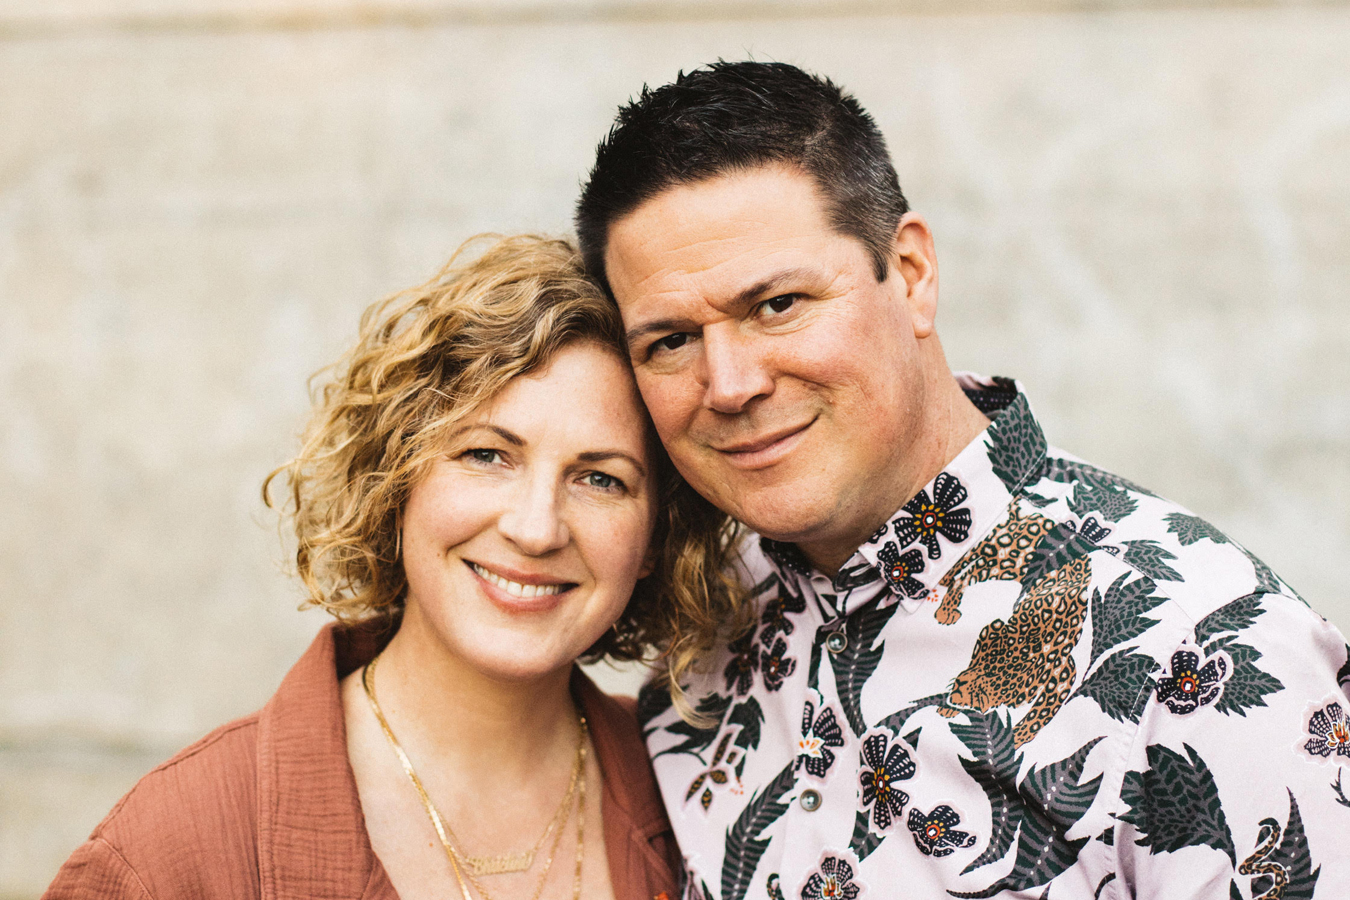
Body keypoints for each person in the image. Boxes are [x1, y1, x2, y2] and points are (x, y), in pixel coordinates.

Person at [575, 61, 1350, 900]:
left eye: (778, 305)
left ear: (911, 273)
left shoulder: (1207, 651)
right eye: (670, 341)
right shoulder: (703, 626)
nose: (730, 385)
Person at [43, 234, 745, 900]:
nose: (536, 530)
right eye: (486, 455)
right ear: (397, 476)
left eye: (600, 479)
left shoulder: (709, 794)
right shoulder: (176, 850)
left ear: (656, 537)